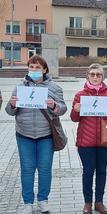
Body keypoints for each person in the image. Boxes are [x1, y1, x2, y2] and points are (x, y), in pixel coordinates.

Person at [5, 55, 67, 214]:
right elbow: (9, 111)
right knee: (27, 169)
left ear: (44, 69)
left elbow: (63, 109)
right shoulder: (20, 87)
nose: (34, 70)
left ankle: (43, 201)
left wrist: (54, 106)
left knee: (45, 170)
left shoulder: (54, 88)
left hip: (45, 136)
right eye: (31, 67)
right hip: (24, 135)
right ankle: (27, 203)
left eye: (37, 67)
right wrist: (11, 104)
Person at [70, 63, 107, 214]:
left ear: (103, 77)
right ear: (88, 76)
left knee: (102, 171)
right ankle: (87, 203)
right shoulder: (80, 95)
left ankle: (99, 202)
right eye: (92, 74)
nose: (95, 77)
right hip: (86, 141)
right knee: (88, 171)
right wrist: (75, 110)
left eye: (98, 74)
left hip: (105, 141)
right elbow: (74, 119)